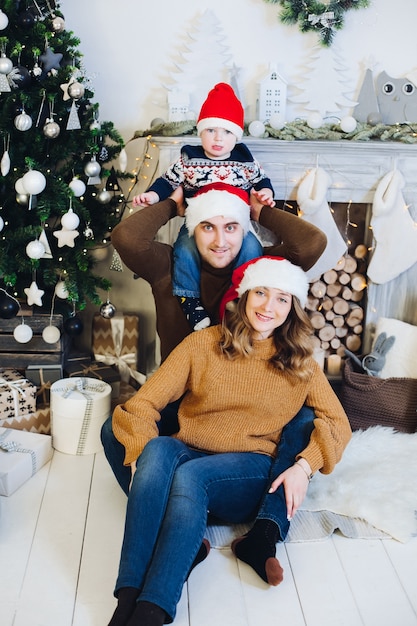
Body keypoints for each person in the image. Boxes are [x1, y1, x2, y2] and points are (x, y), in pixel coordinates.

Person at [107, 256, 352, 626]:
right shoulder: (202, 344)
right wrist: (143, 457)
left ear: (293, 308)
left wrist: (304, 466)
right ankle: (126, 598)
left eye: (282, 299)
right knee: (155, 448)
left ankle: (151, 610)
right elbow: (142, 403)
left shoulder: (301, 362)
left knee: (191, 478)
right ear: (244, 296)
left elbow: (338, 422)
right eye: (261, 293)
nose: (269, 307)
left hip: (248, 471)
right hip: (190, 450)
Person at [110, 185, 327, 361]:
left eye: (231, 227)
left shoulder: (265, 268)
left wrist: (261, 213)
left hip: (244, 393)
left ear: (244, 229)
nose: (220, 242)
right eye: (207, 227)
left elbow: (312, 243)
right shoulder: (167, 266)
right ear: (192, 229)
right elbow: (126, 238)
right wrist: (171, 206)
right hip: (179, 395)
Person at [132, 82, 276, 330]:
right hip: (198, 224)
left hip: (236, 225)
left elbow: (262, 180)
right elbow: (167, 182)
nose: (218, 138)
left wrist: (265, 193)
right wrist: (153, 197)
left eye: (227, 132)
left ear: (236, 136)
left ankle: (240, 297)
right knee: (184, 250)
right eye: (211, 130)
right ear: (200, 132)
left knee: (252, 248)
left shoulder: (244, 159)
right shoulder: (189, 158)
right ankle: (189, 299)